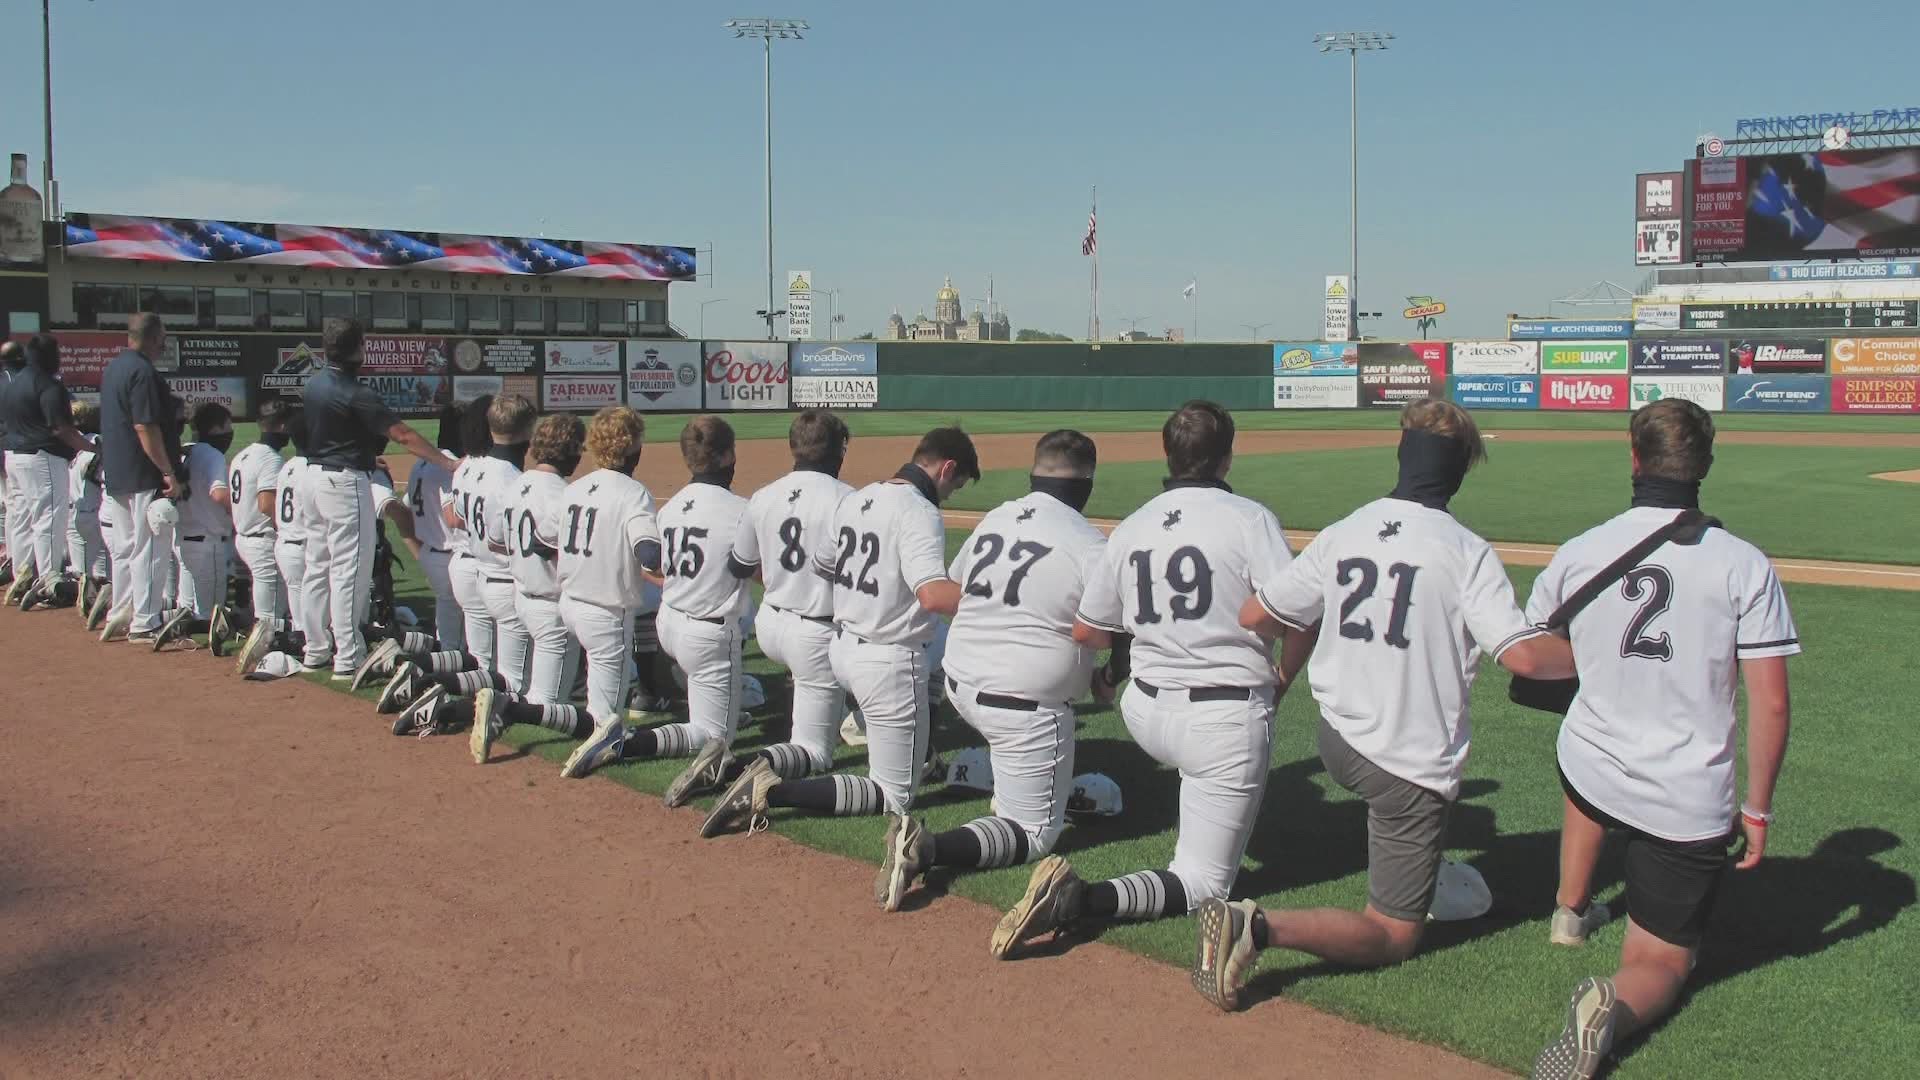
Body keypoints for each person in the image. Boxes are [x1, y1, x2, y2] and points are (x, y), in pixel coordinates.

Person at [1190, 399, 1577, 1010]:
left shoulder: (1347, 528)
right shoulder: (1465, 549)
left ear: (1403, 455)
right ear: (1457, 470)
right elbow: (1524, 658)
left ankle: (1422, 865)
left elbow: (1256, 615)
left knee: (1400, 818)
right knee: (1393, 934)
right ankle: (1258, 927)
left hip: (1336, 740)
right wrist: (1601, 659)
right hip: (1402, 762)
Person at [1524, 399, 1796, 1080]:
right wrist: (1756, 811)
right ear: (1704, 463)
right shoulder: (1743, 563)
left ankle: (1569, 909)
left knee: (1586, 762)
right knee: (1664, 963)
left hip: (1592, 757)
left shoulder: (1581, 548)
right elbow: (1772, 703)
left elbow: (1535, 649)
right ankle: (1608, 1010)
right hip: (1685, 788)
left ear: (1634, 457)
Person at [992, 401, 1290, 959]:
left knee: (1193, 759)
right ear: (1226, 457)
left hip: (1145, 710)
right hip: (1221, 718)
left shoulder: (1132, 525)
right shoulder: (1250, 519)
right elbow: (1289, 613)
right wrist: (1284, 676)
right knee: (1204, 882)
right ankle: (1081, 899)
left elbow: (1091, 629)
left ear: (1168, 455)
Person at [874, 429, 1113, 912]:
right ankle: (926, 846)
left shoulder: (996, 517)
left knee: (1012, 740)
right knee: (1033, 832)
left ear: (1033, 474)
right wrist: (1107, 677)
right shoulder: (1090, 544)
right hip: (1022, 706)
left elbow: (955, 590)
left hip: (963, 684)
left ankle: (1004, 776)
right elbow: (1104, 629)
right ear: (1086, 483)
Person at [715, 428, 978, 829]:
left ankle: (919, 749)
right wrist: (998, 605)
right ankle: (772, 791)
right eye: (955, 486)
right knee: (894, 795)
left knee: (942, 650)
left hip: (841, 647)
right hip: (887, 657)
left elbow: (823, 566)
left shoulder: (857, 498)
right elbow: (932, 596)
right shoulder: (919, 511)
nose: (951, 494)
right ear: (947, 468)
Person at [701, 410, 855, 837]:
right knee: (816, 753)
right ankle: (733, 766)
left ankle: (719, 759)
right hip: (817, 630)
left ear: (794, 448)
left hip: (771, 622)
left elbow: (740, 564)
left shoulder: (763, 495)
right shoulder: (848, 499)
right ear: (839, 448)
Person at [587, 416, 751, 802]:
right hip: (709, 633)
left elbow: (657, 566)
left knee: (705, 719)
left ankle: (625, 737)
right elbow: (760, 571)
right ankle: (625, 743)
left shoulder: (671, 506)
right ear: (728, 454)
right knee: (716, 743)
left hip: (669, 623)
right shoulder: (742, 508)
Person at [297, 317, 454, 679]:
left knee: (318, 566)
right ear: (358, 348)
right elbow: (402, 435)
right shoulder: (355, 391)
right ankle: (348, 657)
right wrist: (445, 461)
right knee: (349, 570)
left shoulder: (314, 383)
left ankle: (316, 648)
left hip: (313, 476)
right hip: (343, 482)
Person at [547, 406, 663, 777]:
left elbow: (545, 538)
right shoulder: (634, 493)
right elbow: (648, 553)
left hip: (568, 603)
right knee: (607, 721)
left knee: (574, 695)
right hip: (604, 613)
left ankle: (523, 709)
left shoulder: (574, 488)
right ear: (634, 449)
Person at [466, 413, 585, 764]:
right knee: (547, 707)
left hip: (520, 596)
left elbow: (496, 542)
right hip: (551, 607)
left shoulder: (516, 483)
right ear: (572, 452)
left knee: (524, 686)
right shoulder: (565, 495)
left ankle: (468, 702)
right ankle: (459, 708)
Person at [97, 314, 185, 644]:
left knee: (125, 549)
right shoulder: (143, 371)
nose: (164, 343)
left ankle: (122, 611)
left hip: (118, 470)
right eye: (162, 336)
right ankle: (145, 622)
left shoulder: (115, 366)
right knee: (149, 548)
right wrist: (167, 471)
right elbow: (145, 426)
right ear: (150, 338)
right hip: (142, 471)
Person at [2, 333, 92, 608]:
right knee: (49, 518)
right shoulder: (48, 386)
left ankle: (23, 572)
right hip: (42, 457)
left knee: (19, 516)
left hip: (14, 456)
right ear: (49, 357)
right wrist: (92, 448)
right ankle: (50, 581)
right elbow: (61, 429)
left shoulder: (14, 384)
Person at [152, 402, 236, 649]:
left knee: (188, 604)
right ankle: (186, 627)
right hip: (209, 540)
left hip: (183, 535)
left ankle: (174, 624)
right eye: (228, 427)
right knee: (212, 615)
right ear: (217, 427)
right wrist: (242, 512)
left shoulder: (183, 450)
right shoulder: (213, 454)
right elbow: (218, 494)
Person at [225, 399, 291, 657]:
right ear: (283, 426)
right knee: (269, 620)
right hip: (262, 541)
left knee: (268, 610)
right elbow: (267, 504)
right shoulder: (270, 459)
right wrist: (288, 530)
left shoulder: (243, 454)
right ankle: (264, 655)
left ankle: (237, 625)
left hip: (243, 536)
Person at [65, 400, 109, 619]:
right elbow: (96, 475)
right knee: (102, 567)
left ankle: (83, 585)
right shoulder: (96, 442)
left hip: (73, 513)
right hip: (92, 512)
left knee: (82, 566)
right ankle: (95, 595)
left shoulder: (74, 445)